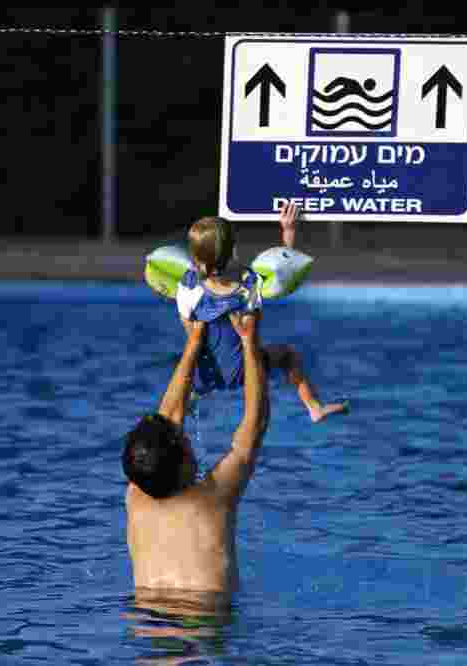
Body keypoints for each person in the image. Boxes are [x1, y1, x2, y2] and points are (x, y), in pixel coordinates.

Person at [123, 309, 268, 594]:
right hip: (205, 619)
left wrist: (194, 343)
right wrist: (249, 343)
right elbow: (255, 425)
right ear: (183, 461)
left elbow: (167, 419)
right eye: (186, 442)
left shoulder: (136, 493)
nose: (188, 438)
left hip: (147, 621)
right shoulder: (212, 498)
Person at [177, 201, 348, 423]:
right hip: (245, 370)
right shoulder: (248, 284)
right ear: (232, 250)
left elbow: (190, 330)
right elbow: (283, 271)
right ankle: (314, 407)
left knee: (193, 363)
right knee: (287, 355)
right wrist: (289, 229)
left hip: (204, 371)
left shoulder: (187, 285)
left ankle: (190, 400)